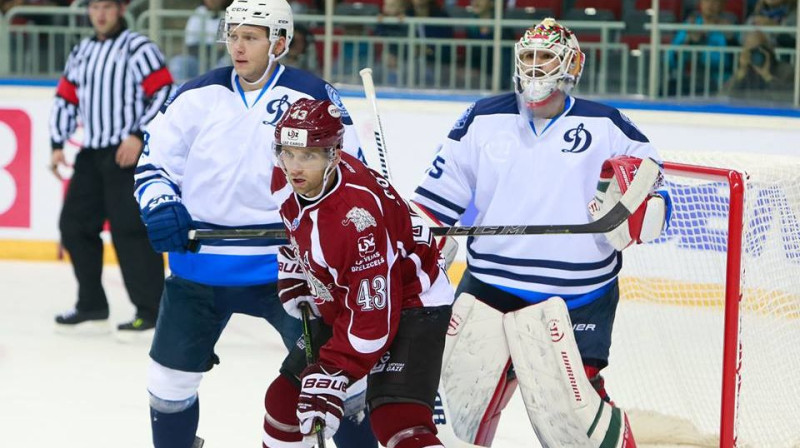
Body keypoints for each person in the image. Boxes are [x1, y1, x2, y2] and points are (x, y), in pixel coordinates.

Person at [133, 0, 377, 446]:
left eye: (250, 37)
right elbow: (153, 164)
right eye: (233, 35)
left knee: (343, 384)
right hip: (199, 266)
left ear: (278, 42)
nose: (238, 47)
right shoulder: (196, 94)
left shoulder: (312, 96)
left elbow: (350, 172)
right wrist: (162, 204)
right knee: (167, 386)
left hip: (289, 269)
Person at [412, 18, 666, 446]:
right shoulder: (481, 119)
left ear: (571, 65)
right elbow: (433, 202)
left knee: (571, 418)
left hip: (577, 296)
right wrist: (419, 238)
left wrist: (646, 211)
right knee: (462, 408)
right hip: (489, 287)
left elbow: (654, 186)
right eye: (527, 57)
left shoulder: (608, 125)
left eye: (545, 57)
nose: (534, 68)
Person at [263, 98, 455, 448]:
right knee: (284, 401)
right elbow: (301, 226)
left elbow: (373, 319)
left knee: (398, 423)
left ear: (334, 154)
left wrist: (334, 373)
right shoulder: (286, 176)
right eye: (287, 152)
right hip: (353, 295)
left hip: (414, 299)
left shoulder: (356, 218)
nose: (294, 166)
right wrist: (300, 265)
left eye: (308, 156)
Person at [49, 0, 172, 336]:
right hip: (93, 152)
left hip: (126, 152)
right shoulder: (82, 51)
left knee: (130, 230)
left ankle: (151, 309)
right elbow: (66, 98)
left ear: (121, 9)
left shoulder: (138, 48)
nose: (100, 13)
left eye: (107, 6)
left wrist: (138, 134)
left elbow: (163, 91)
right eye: (94, 7)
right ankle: (91, 304)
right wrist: (57, 144)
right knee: (73, 225)